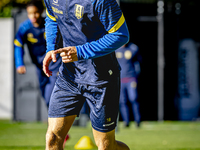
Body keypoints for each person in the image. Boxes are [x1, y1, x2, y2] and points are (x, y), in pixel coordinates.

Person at [42, 0, 130, 149]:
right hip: (69, 76)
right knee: (52, 137)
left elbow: (120, 35)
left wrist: (81, 52)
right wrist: (51, 46)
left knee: (105, 145)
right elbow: (52, 16)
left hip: (101, 78)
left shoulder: (101, 1)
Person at [14, 0, 69, 148]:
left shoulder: (50, 24)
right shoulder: (25, 28)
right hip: (40, 68)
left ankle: (57, 132)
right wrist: (19, 63)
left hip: (55, 66)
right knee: (46, 98)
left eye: (36, 12)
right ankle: (61, 130)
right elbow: (17, 45)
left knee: (52, 97)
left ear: (41, 12)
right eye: (30, 13)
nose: (33, 16)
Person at [116, 42, 142, 128]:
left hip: (131, 79)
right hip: (120, 79)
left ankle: (137, 121)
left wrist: (136, 75)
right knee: (122, 101)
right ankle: (126, 122)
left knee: (133, 99)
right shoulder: (116, 49)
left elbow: (138, 62)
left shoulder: (133, 48)